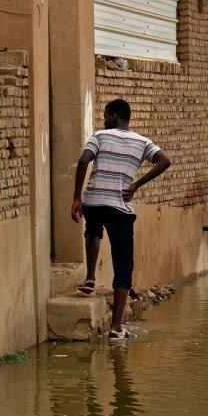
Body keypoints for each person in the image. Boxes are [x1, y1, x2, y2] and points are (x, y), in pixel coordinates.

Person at [71, 99, 171, 339]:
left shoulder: (99, 136)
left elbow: (84, 160)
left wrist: (77, 197)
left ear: (114, 116)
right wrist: (136, 185)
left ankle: (91, 278)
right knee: (123, 266)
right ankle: (116, 328)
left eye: (106, 116)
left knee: (93, 230)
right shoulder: (142, 142)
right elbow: (165, 161)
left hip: (93, 200)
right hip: (119, 206)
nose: (104, 120)